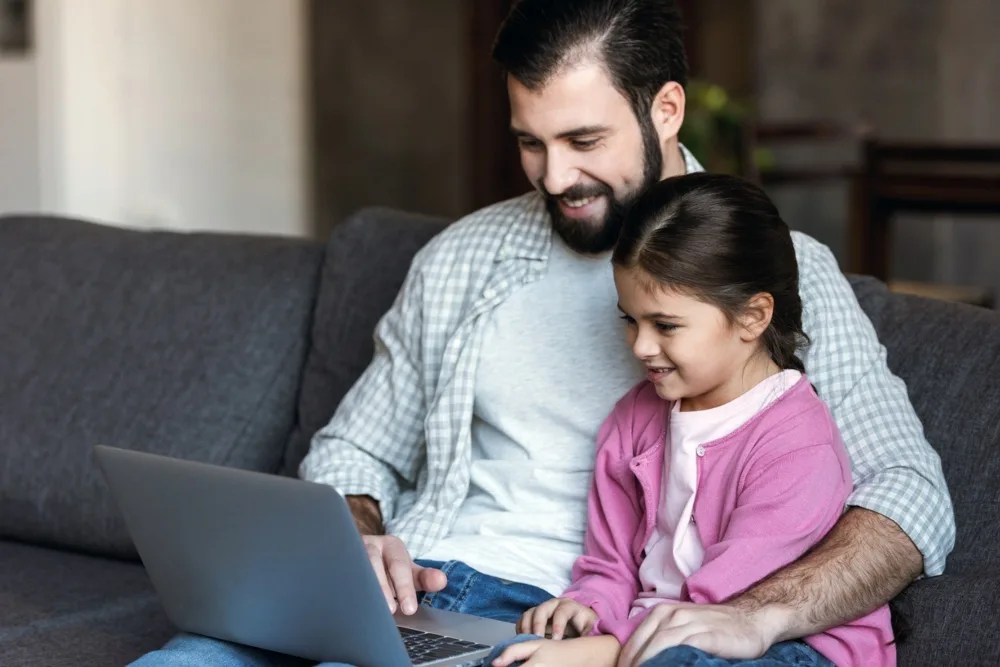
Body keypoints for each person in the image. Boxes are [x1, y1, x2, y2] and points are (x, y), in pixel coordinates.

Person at [132, 0, 952, 665]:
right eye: (531, 143)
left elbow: (910, 495)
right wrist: (358, 539)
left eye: (584, 140)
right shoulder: (463, 258)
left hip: (562, 620)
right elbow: (354, 450)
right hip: (415, 591)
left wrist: (757, 614)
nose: (555, 177)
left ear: (666, 109)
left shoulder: (773, 270)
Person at [480, 172, 893, 667]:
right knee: (497, 628)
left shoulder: (798, 445)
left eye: (666, 325)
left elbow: (728, 605)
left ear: (752, 316)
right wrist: (586, 608)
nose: (641, 346)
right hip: (655, 629)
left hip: (776, 643)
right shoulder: (633, 417)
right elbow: (609, 564)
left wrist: (602, 652)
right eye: (630, 320)